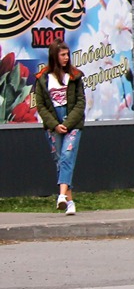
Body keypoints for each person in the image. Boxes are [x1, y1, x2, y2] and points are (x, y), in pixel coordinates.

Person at [34, 41, 85, 215]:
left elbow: (80, 103)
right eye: (62, 55)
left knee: (67, 155)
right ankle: (69, 202)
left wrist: (67, 123)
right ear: (54, 55)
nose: (66, 58)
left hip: (73, 123)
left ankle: (61, 196)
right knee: (60, 160)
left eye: (67, 54)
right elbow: (40, 106)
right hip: (52, 123)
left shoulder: (75, 76)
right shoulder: (42, 77)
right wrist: (55, 125)